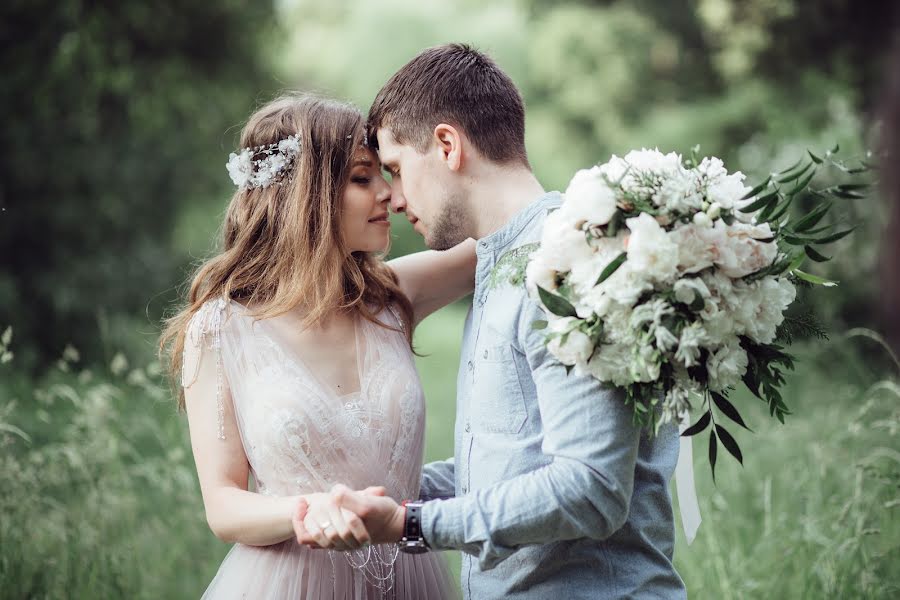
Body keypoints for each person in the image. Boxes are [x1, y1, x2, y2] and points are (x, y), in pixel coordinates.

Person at [295, 44, 687, 599]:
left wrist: (411, 526)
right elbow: (513, 460)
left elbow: (591, 488)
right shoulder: (502, 262)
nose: (395, 198)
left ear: (448, 145)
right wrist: (389, 497)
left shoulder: (573, 261)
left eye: (398, 170)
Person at [160, 93, 473, 599]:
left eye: (382, 175)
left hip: (412, 582)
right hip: (289, 583)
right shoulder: (219, 329)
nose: (390, 196)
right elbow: (223, 505)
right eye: (361, 177)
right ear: (307, 192)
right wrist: (307, 512)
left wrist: (620, 198)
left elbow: (513, 234)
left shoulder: (394, 296)